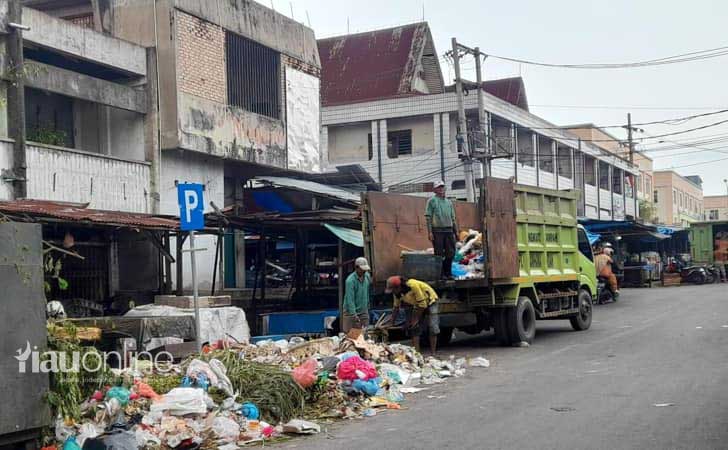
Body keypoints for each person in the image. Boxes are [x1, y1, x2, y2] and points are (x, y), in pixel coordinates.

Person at [386, 275, 440, 354]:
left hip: (430, 302)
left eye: (393, 290)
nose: (392, 292)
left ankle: (433, 353)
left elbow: (423, 305)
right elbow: (396, 308)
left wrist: (416, 319)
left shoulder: (413, 285)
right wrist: (391, 322)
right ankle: (417, 353)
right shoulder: (397, 293)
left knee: (432, 327)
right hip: (415, 304)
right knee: (414, 328)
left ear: (398, 287)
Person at [425, 180, 459, 278]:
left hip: (449, 230)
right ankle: (440, 275)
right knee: (439, 254)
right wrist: (430, 232)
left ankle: (448, 273)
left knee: (451, 253)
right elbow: (428, 217)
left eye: (442, 187)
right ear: (435, 190)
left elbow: (453, 218)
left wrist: (456, 232)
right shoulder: (431, 201)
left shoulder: (449, 202)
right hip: (437, 231)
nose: (441, 189)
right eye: (439, 187)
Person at [341, 257, 372, 334]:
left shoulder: (367, 277)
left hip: (363, 310)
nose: (364, 271)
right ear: (356, 268)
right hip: (350, 312)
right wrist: (353, 314)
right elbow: (350, 299)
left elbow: (367, 292)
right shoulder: (350, 281)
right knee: (351, 336)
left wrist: (367, 306)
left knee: (365, 334)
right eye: (362, 269)